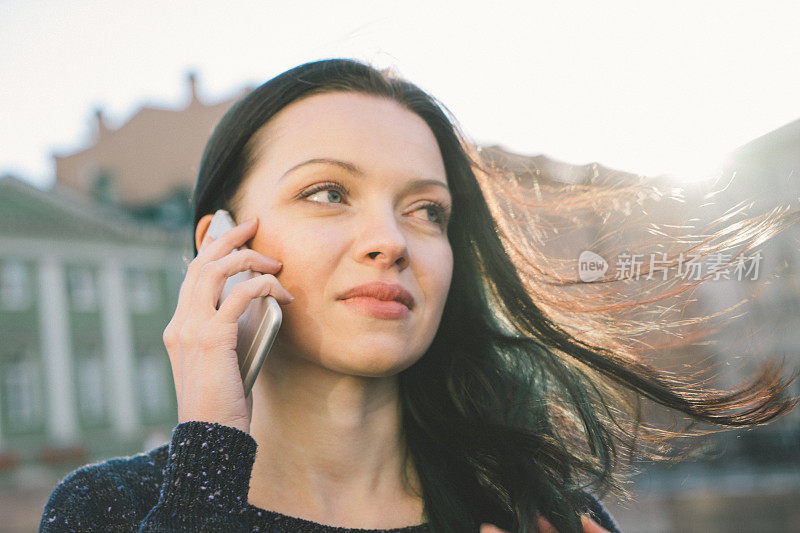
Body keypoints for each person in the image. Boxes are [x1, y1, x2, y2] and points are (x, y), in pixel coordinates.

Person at [39, 58, 798, 532]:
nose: (391, 239)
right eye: (329, 191)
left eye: (427, 209)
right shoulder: (108, 511)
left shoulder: (533, 512)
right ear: (219, 241)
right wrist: (208, 460)